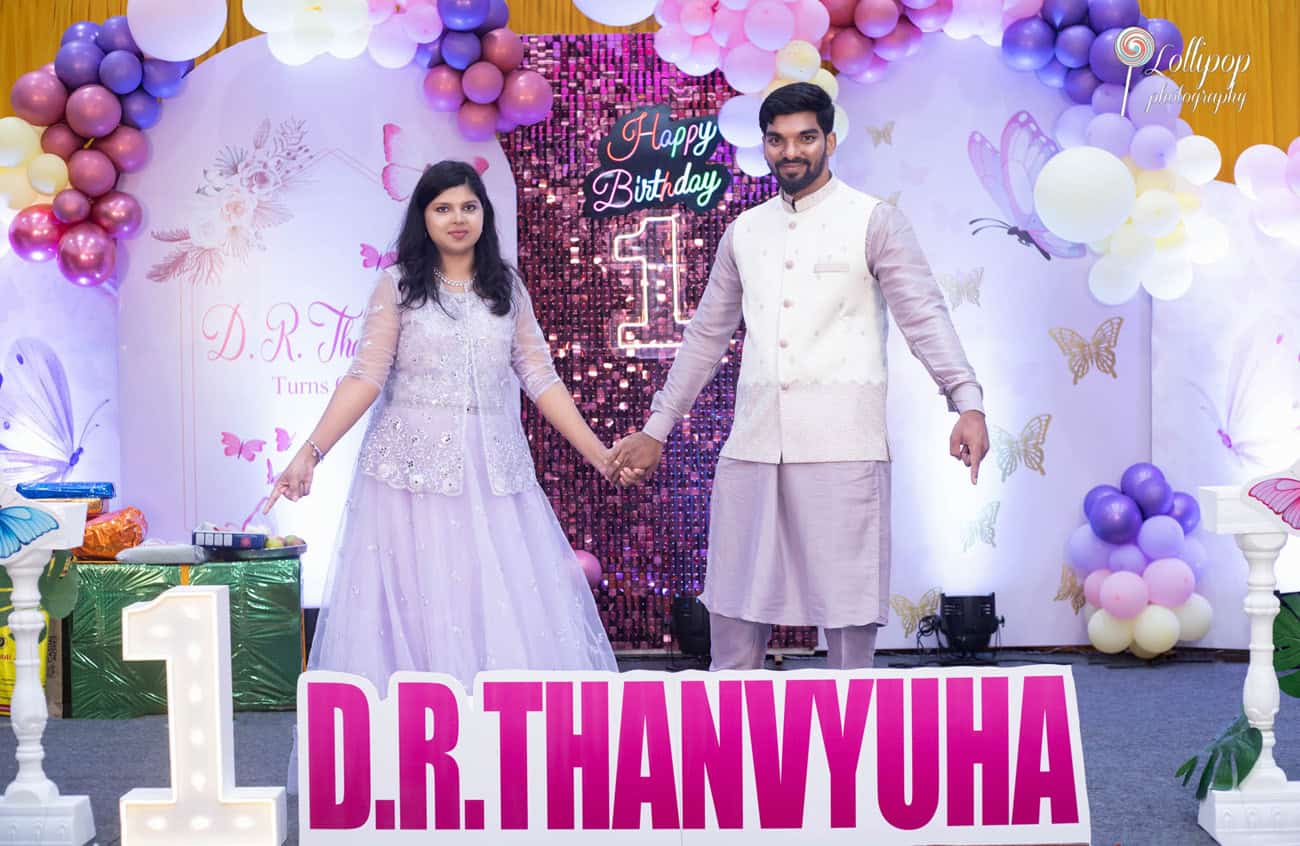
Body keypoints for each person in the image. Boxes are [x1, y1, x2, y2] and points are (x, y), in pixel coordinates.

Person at [609, 82, 990, 671]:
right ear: (764, 146)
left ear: (830, 141)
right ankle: (731, 741)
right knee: (733, 606)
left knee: (847, 613)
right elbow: (707, 336)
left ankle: (855, 748)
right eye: (778, 140)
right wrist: (657, 429)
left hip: (844, 443)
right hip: (754, 443)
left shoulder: (874, 220)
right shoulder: (745, 230)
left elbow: (924, 317)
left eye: (806, 137)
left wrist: (966, 402)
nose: (792, 151)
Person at [268, 161, 618, 772]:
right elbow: (366, 376)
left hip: (495, 475)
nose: (458, 219)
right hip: (410, 476)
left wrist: (599, 454)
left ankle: (499, 759)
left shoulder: (505, 288)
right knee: (417, 605)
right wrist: (310, 451)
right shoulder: (399, 285)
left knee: (497, 602)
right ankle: (411, 762)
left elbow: (540, 377)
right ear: (423, 219)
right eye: (443, 208)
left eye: (469, 207)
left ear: (484, 215)